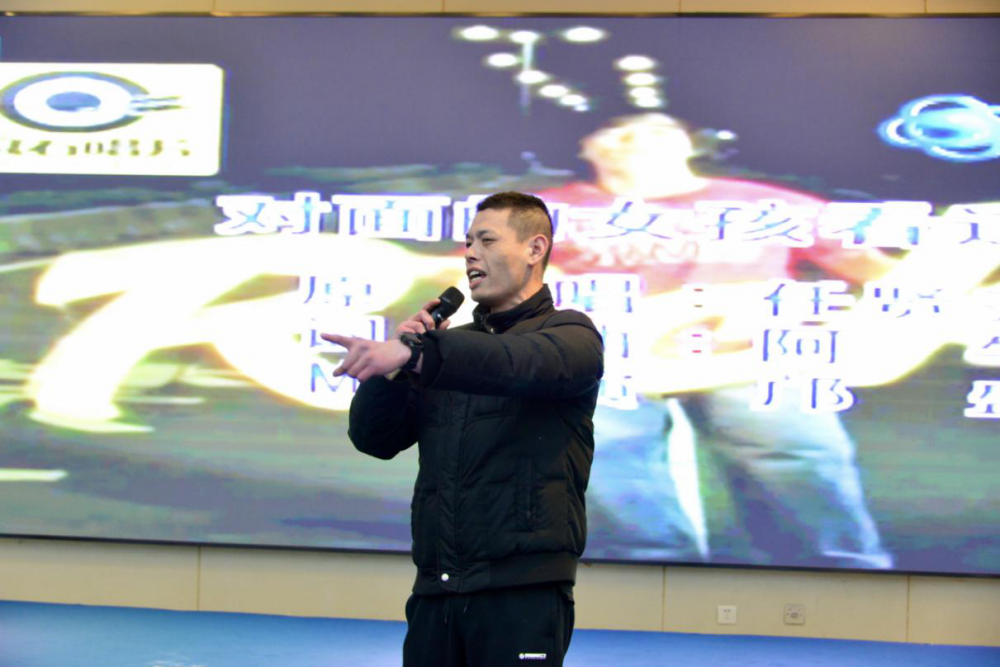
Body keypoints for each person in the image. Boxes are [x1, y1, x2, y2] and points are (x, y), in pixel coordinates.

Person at [536, 113, 894, 568]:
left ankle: (840, 576)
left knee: (798, 463)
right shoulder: (547, 209)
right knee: (603, 467)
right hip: (606, 358)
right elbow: (478, 275)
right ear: (587, 148)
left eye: (656, 131)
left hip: (751, 356)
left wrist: (832, 326)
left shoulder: (770, 205)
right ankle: (647, 576)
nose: (634, 140)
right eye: (616, 133)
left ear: (687, 144)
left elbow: (882, 274)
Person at [322, 192, 604, 667]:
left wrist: (423, 354)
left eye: (486, 241)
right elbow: (375, 439)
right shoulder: (444, 349)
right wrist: (396, 367)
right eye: (469, 242)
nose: (470, 253)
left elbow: (516, 361)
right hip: (438, 587)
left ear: (535, 249)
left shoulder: (570, 335)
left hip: (522, 590)